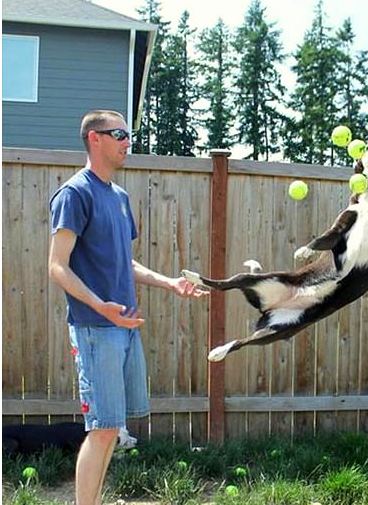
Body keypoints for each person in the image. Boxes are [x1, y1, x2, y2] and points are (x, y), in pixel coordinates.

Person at [48, 110, 206, 505]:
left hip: (124, 326)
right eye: (118, 133)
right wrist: (101, 307)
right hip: (95, 327)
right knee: (102, 428)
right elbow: (57, 266)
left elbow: (125, 263)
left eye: (128, 133)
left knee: (113, 426)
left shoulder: (118, 197)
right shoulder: (74, 194)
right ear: (94, 139)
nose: (126, 140)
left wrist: (169, 282)